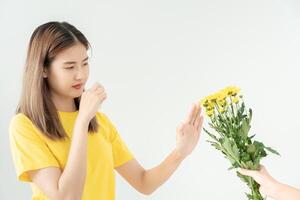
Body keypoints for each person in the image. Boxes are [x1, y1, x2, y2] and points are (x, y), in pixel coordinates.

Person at [9, 21, 204, 200]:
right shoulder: (25, 125)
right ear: (43, 69)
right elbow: (67, 197)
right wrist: (82, 121)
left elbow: (144, 183)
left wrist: (180, 152)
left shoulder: (100, 122)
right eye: (69, 67)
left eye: (85, 63)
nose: (81, 75)